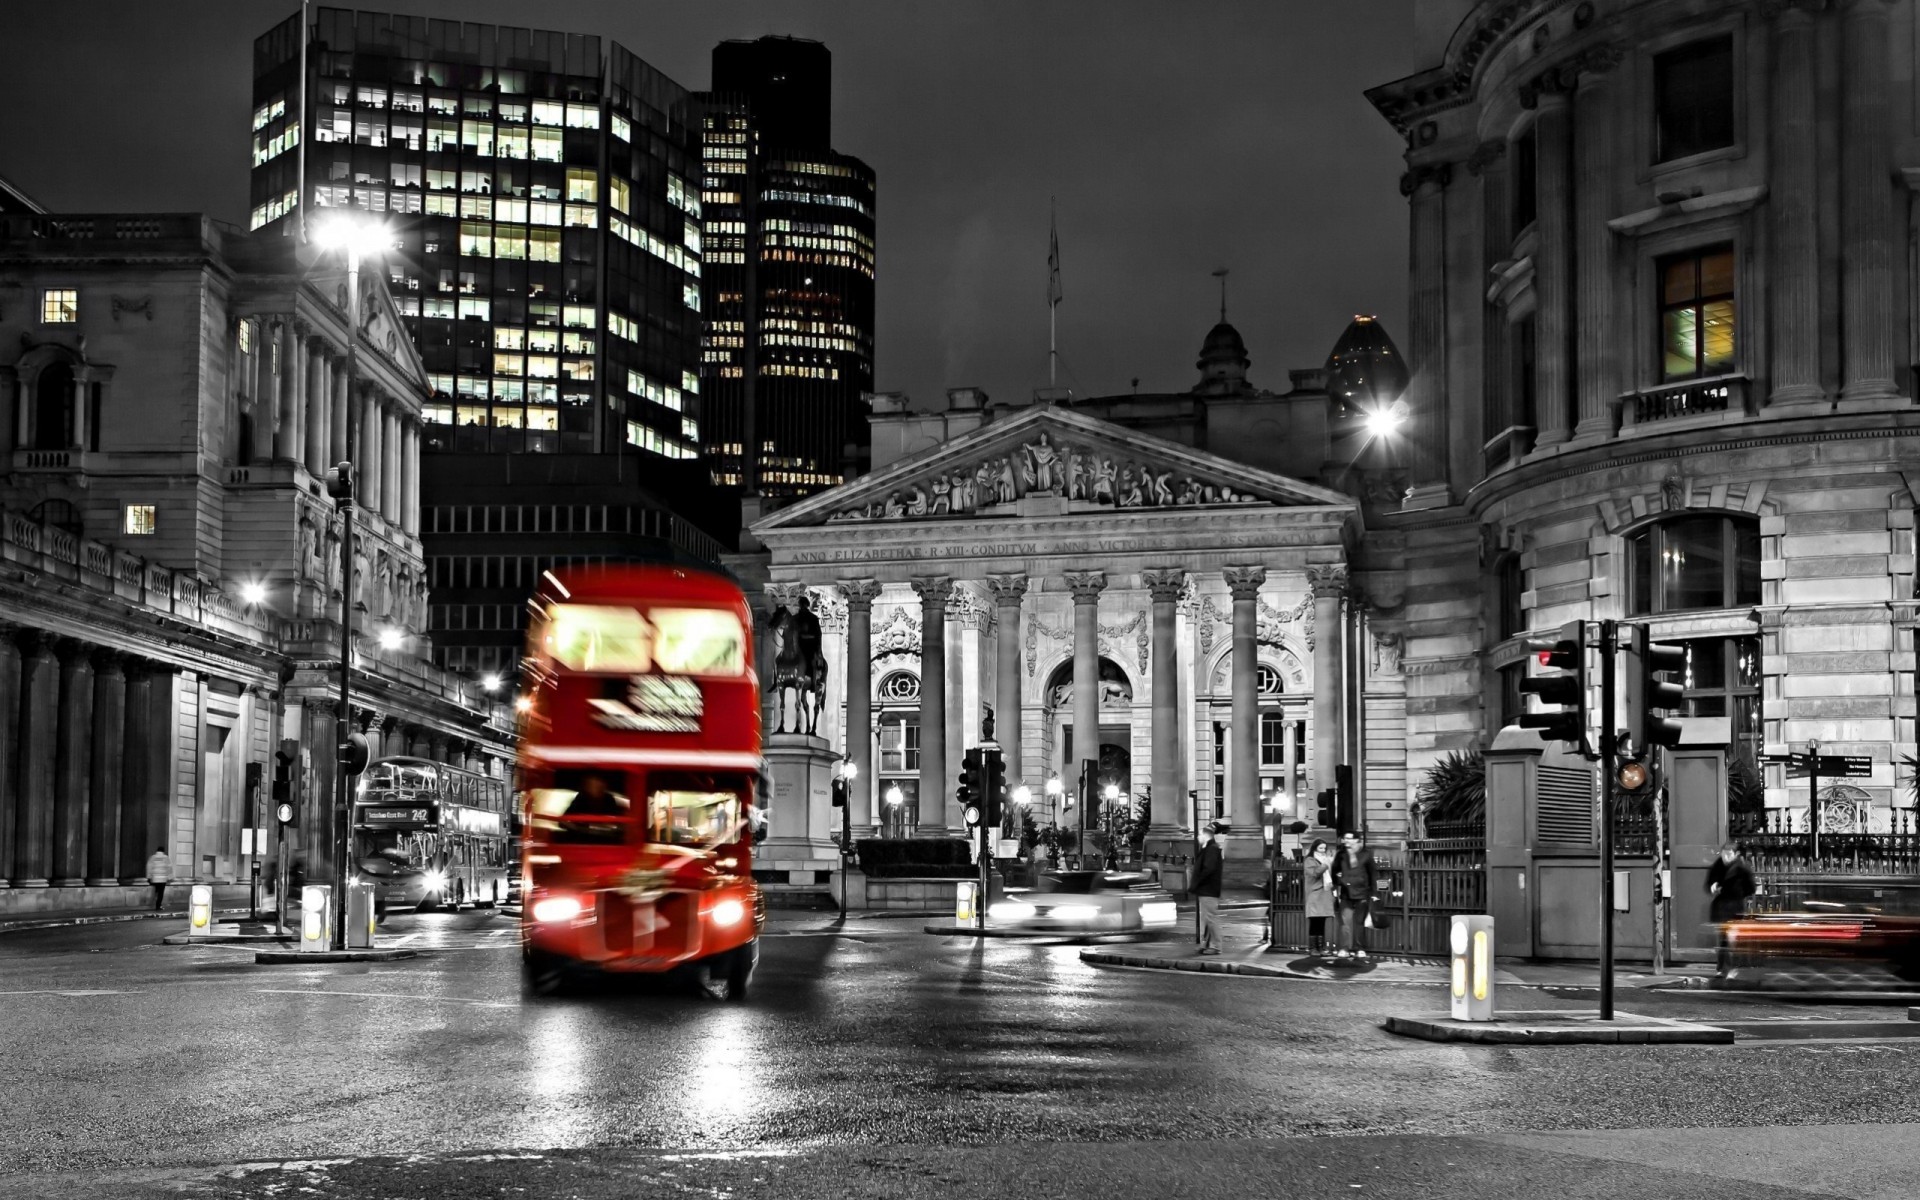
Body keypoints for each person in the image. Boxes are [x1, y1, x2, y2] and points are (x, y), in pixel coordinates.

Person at [1707, 842, 1756, 978]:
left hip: (1734, 907)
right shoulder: (1718, 865)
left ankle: (1728, 968)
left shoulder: (1743, 868)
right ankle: (1723, 968)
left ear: (1735, 854)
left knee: (1730, 939)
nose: (1725, 857)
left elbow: (1751, 888)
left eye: (1728, 854)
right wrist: (1713, 885)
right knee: (1724, 939)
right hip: (1721, 907)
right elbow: (1710, 881)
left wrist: (1737, 893)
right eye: (1723, 854)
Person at [1331, 830, 1379, 960]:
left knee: (1359, 923)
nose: (1346, 840)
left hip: (1362, 893)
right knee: (1345, 923)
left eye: (1349, 838)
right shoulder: (1341, 855)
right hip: (1346, 894)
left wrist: (1374, 892)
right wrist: (1338, 884)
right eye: (1345, 838)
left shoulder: (1365, 854)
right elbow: (1334, 871)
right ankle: (1344, 948)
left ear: (1357, 840)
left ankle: (1360, 948)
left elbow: (1373, 874)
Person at [1192, 821, 1226, 955]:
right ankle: (1205, 944)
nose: (1198, 837)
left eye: (1200, 835)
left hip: (1209, 889)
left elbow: (1208, 869)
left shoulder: (1211, 849)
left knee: (1211, 918)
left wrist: (1197, 882)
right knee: (1207, 919)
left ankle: (1216, 946)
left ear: (1207, 835)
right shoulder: (1209, 848)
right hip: (1207, 889)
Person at [1302, 838, 1336, 956]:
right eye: (1320, 848)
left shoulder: (1325, 860)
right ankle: (1313, 948)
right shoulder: (1310, 860)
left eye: (1324, 848)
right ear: (1314, 848)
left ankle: (1320, 948)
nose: (1323, 850)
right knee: (1315, 921)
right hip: (1315, 894)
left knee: (1322, 921)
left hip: (1325, 892)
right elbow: (1315, 873)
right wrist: (1326, 864)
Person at [145, 846, 172, 913]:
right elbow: (169, 867)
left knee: (156, 891)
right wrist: (169, 877)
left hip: (155, 878)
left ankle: (154, 903)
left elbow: (149, 867)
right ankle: (158, 906)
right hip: (162, 879)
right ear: (163, 851)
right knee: (161, 893)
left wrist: (148, 876)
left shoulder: (153, 857)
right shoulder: (165, 858)